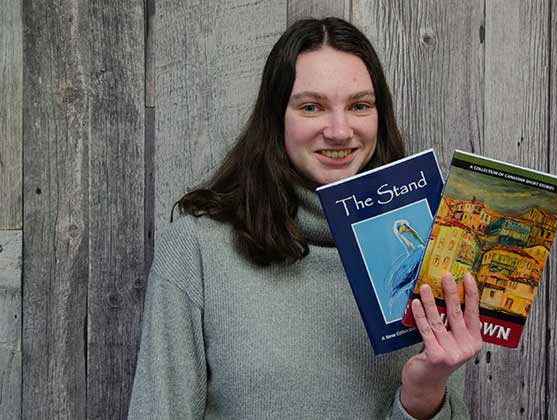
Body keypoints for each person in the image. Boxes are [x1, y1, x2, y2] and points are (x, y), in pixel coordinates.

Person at [128, 17, 483, 420]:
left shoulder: (431, 246)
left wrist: (422, 396)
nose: (339, 130)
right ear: (276, 116)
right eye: (311, 107)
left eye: (359, 106)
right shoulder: (197, 249)